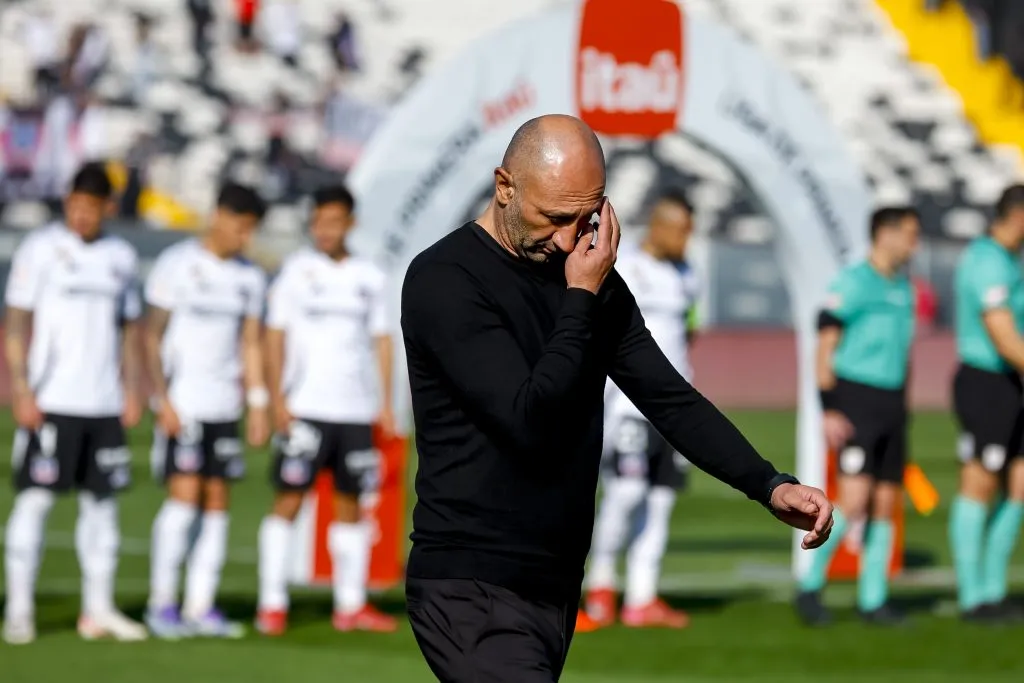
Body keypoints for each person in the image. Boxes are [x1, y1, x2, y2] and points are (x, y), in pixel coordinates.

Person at [400, 114, 834, 683]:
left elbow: (668, 395)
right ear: (504, 185)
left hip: (552, 584)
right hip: (472, 583)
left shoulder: (584, 272)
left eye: (584, 217)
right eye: (553, 217)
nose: (566, 238)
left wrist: (768, 483)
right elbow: (530, 419)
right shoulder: (446, 278)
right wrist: (581, 295)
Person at [2, 162, 146, 644]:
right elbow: (17, 322)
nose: (82, 215)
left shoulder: (120, 256)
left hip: (102, 403)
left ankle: (97, 611)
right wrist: (22, 389)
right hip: (52, 401)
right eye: (75, 205)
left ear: (108, 207)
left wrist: (132, 388)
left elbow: (128, 328)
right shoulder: (41, 250)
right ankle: (19, 609)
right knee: (36, 502)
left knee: (103, 508)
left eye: (91, 207)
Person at [255, 185, 397, 635]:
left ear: (350, 224)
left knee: (351, 502)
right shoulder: (297, 272)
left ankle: (349, 605)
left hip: (355, 410)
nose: (325, 230)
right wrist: (277, 398)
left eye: (333, 222)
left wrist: (386, 403)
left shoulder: (368, 276)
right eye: (318, 222)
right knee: (289, 500)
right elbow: (274, 336)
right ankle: (272, 603)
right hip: (306, 408)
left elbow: (381, 340)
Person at [144, 182, 270, 639]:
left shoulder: (249, 277)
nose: (245, 237)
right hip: (185, 405)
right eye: (241, 226)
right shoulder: (177, 264)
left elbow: (251, 342)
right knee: (183, 499)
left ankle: (201, 606)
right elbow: (151, 335)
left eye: (251, 229)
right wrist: (162, 399)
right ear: (219, 216)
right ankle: (161, 605)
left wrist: (257, 403)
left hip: (224, 407)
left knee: (218, 503)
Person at [793, 207, 920, 626]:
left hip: (892, 404)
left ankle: (873, 599)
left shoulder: (903, 287)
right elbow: (825, 348)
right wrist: (830, 408)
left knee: (886, 503)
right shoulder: (854, 282)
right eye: (909, 234)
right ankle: (810, 586)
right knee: (854, 501)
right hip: (857, 400)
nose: (914, 244)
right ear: (885, 234)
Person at [583, 188, 701, 629]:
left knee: (661, 500)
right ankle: (599, 585)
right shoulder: (625, 266)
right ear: (661, 225)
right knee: (625, 493)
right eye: (683, 231)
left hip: (675, 410)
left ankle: (641, 597)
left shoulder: (689, 274)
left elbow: (689, 333)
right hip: (627, 406)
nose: (687, 241)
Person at [949, 184, 1024, 622]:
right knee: (979, 482)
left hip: (1013, 384)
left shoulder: (1011, 262)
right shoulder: (985, 260)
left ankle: (994, 588)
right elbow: (1002, 334)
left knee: (1018, 487)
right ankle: (971, 595)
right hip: (986, 384)